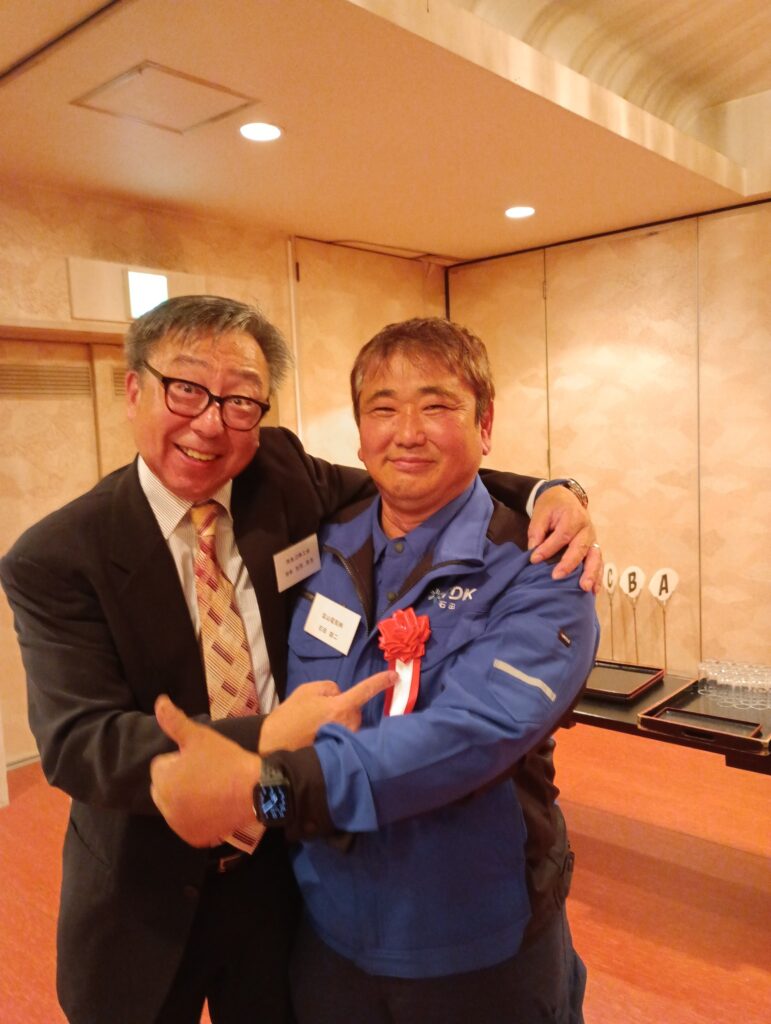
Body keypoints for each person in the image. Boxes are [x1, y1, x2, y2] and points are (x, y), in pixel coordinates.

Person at [0, 297, 597, 1024]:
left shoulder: (534, 566)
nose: (210, 422)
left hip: (431, 930)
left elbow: (469, 732)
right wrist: (264, 749)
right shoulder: (58, 557)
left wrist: (551, 492)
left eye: (240, 400)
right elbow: (76, 742)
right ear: (133, 390)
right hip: (166, 899)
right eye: (185, 388)